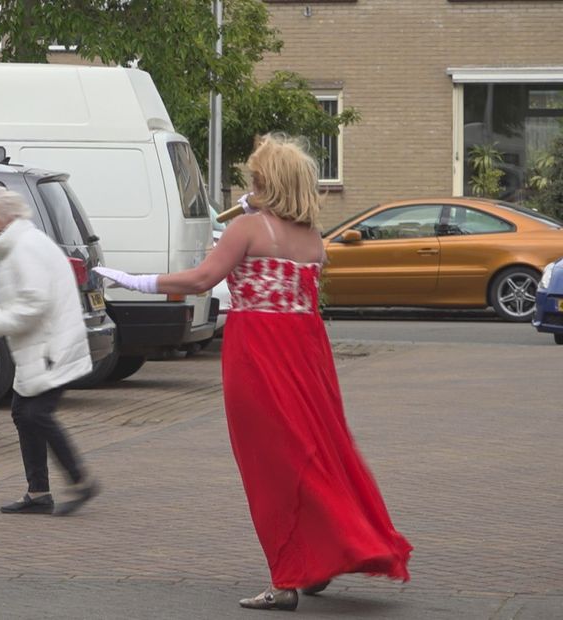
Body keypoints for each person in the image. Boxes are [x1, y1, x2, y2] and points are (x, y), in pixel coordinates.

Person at [95, 134, 412, 611]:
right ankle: (319, 558)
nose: (249, 183)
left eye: (255, 177)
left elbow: (203, 279)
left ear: (266, 181)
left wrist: (137, 280)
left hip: (259, 352)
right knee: (319, 452)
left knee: (270, 466)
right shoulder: (311, 238)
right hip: (307, 353)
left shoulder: (248, 227)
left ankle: (286, 578)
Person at [0, 186, 100, 516]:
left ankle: (80, 480)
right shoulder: (19, 245)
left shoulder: (24, 248)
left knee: (35, 414)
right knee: (23, 413)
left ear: (8, 217)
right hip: (42, 346)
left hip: (50, 347)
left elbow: (34, 303)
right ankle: (38, 492)